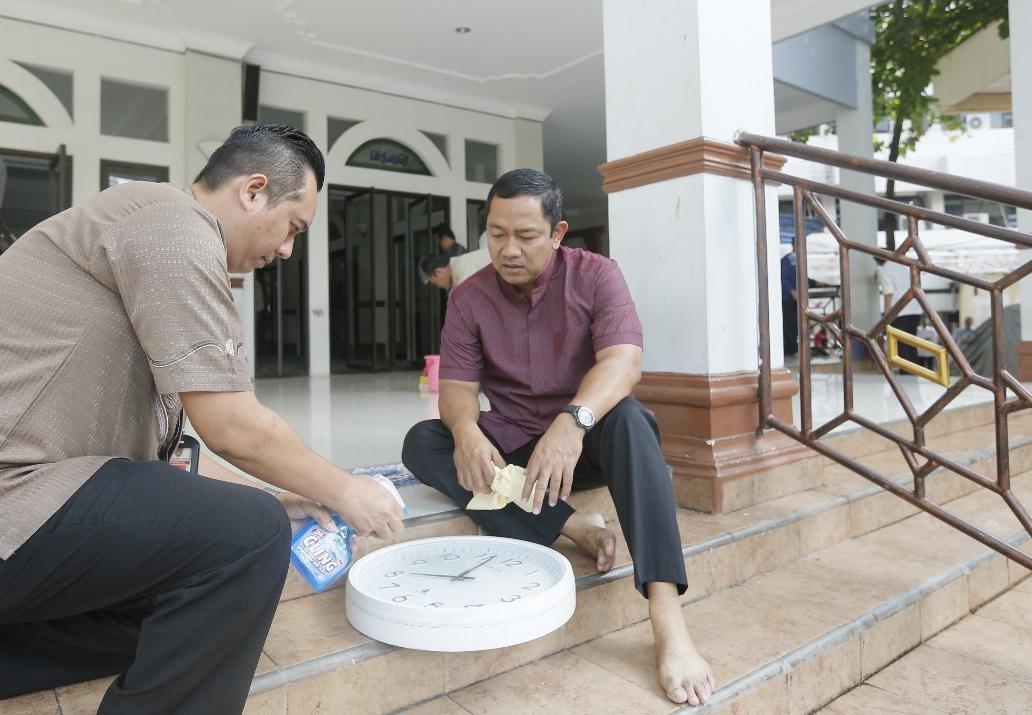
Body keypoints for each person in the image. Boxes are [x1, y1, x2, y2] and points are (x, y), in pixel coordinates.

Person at [0, 124, 404, 713]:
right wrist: (344, 490)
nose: (288, 251)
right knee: (248, 536)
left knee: (191, 615)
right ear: (253, 190)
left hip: (40, 510)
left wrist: (280, 496)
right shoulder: (171, 223)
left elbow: (177, 459)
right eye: (293, 227)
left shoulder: (151, 229)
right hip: (18, 502)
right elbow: (232, 426)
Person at [402, 169, 715, 706]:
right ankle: (571, 526)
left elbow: (625, 361)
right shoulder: (469, 297)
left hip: (587, 440)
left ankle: (666, 616)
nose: (508, 249)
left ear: (557, 232)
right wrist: (466, 429)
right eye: (497, 234)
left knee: (633, 420)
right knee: (423, 442)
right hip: (519, 442)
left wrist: (573, 424)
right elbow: (456, 387)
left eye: (525, 236)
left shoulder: (597, 276)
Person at [878, 257, 923, 364]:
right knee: (911, 343)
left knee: (901, 345)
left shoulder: (885, 269)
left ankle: (907, 373)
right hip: (915, 310)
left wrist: (887, 316)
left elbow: (888, 293)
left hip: (900, 312)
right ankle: (914, 373)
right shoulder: (901, 267)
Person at [419, 247, 492, 290]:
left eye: (435, 283)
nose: (438, 286)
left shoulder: (463, 271)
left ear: (438, 272)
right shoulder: (455, 269)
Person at [780, 247, 799, 358]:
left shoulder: (798, 260)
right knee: (789, 326)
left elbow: (802, 278)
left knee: (794, 325)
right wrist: (792, 292)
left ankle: (792, 350)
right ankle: (788, 351)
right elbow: (783, 278)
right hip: (787, 299)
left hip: (795, 300)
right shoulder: (788, 260)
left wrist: (816, 283)